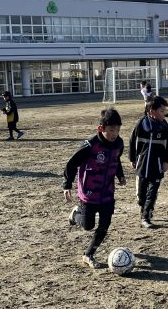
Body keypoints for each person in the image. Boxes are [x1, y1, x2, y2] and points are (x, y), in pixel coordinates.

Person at [63, 108, 126, 269]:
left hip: (107, 193)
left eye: (118, 130)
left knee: (104, 225)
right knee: (87, 226)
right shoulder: (90, 146)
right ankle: (76, 215)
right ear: (101, 128)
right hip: (89, 194)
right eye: (111, 130)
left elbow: (116, 160)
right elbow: (72, 163)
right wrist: (67, 184)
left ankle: (88, 254)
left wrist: (120, 175)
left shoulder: (119, 144)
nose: (115, 134)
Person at [129, 96, 168, 228]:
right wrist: (132, 158)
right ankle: (144, 209)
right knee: (141, 195)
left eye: (165, 110)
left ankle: (146, 216)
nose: (164, 113)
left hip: (157, 165)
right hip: (142, 165)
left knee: (152, 192)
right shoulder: (141, 123)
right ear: (152, 111)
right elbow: (132, 141)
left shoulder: (164, 125)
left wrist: (166, 161)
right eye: (161, 110)